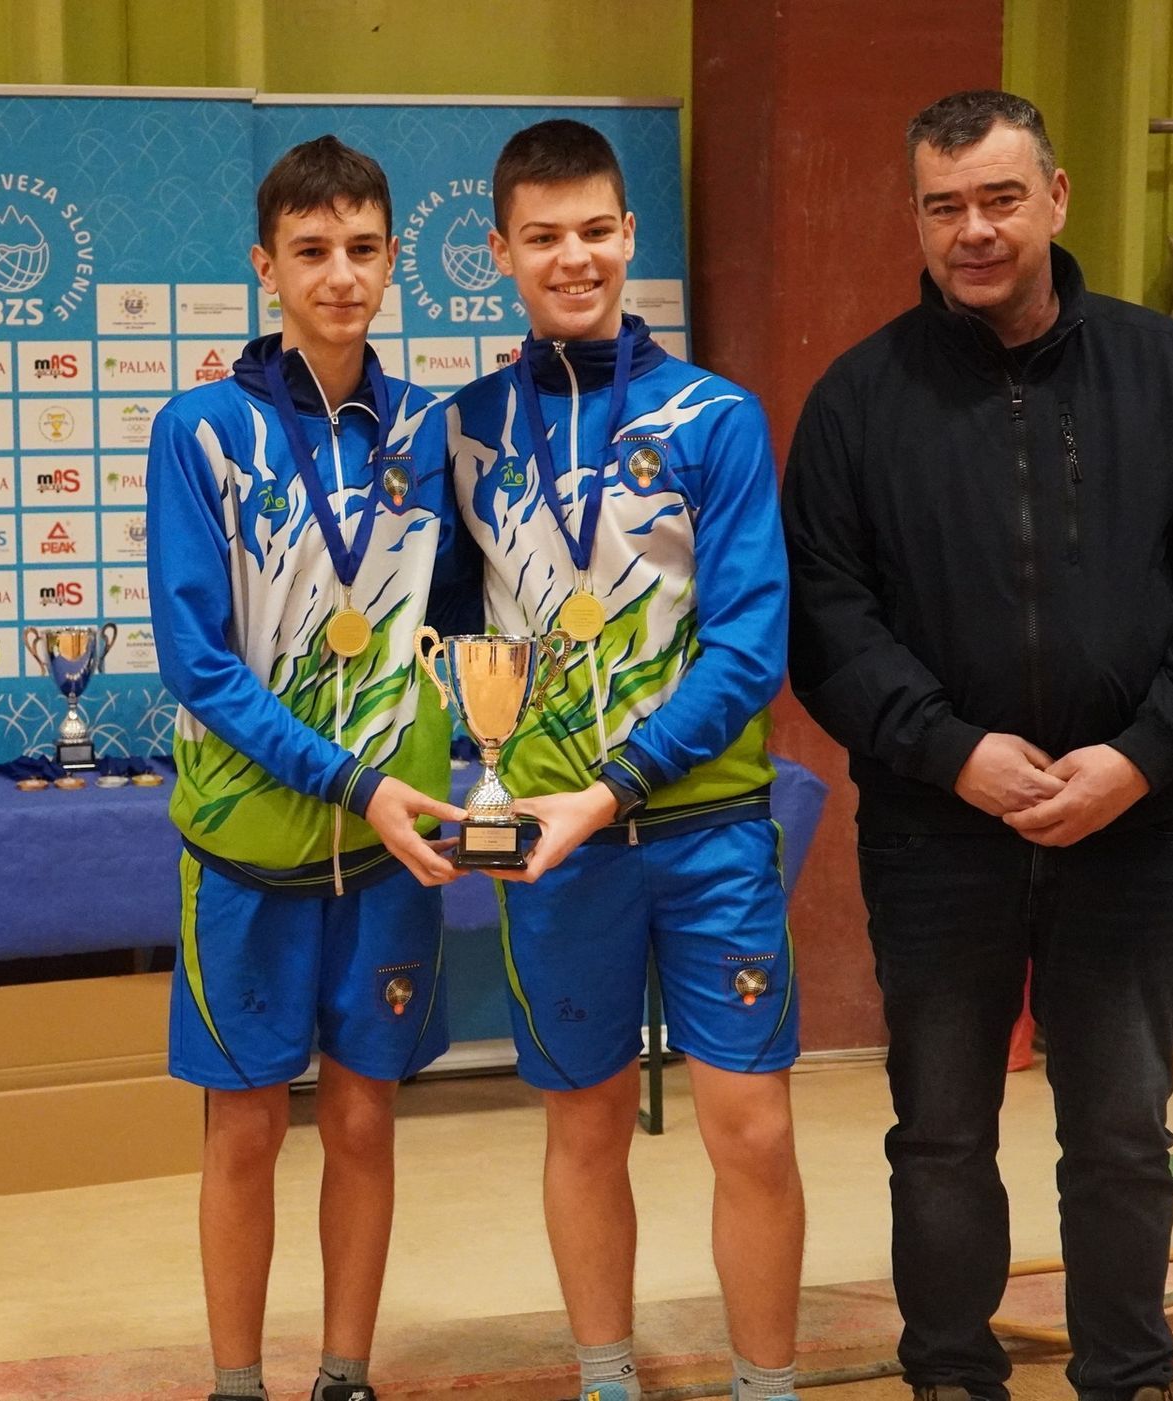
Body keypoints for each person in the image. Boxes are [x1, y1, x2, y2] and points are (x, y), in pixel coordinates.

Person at [782, 90, 1173, 1401]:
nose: (975, 230)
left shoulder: (1170, 375)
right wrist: (950, 751)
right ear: (917, 220)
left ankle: (1129, 1373)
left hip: (1131, 828)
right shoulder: (857, 402)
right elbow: (829, 621)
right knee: (942, 1134)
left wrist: (1143, 754)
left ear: (1055, 198)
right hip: (938, 834)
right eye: (944, 206)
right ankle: (952, 1370)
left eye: (1000, 198)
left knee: (1121, 1134)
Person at [445, 118, 804, 1401]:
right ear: (500, 252)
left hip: (704, 832)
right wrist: (464, 775)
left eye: (596, 229)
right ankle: (607, 1379)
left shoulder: (716, 417)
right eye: (543, 236)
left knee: (751, 1128)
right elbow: (447, 635)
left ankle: (767, 1386)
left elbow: (750, 646)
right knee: (584, 1121)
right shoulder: (464, 430)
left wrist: (615, 787)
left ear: (629, 234)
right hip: (552, 845)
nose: (575, 257)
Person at [147, 134, 467, 1401]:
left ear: (392, 263)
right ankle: (237, 1383)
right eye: (312, 250)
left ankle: (346, 1375)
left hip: (389, 850)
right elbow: (199, 665)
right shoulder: (201, 431)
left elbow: (465, 626)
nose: (341, 274)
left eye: (363, 249)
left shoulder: (432, 433)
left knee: (365, 1119)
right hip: (248, 845)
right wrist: (354, 781)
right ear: (264, 265)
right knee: (242, 1127)